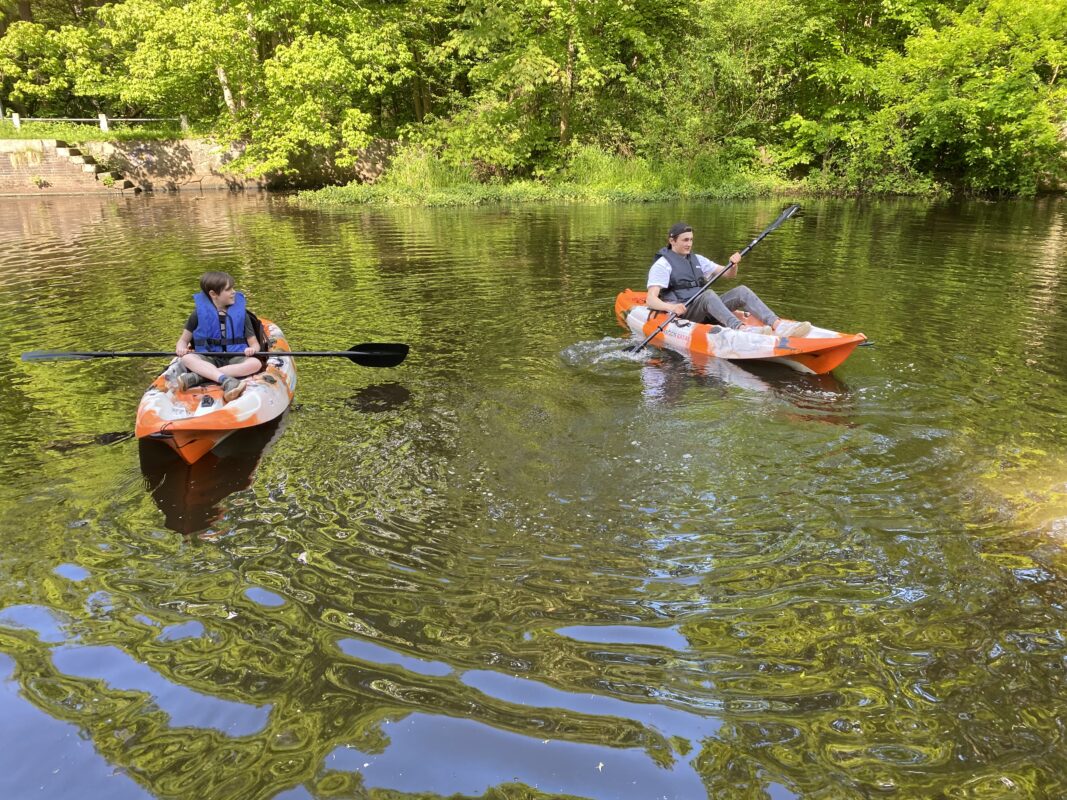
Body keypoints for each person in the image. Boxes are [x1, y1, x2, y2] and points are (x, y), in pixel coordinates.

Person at [646, 222, 811, 337]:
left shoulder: (698, 260)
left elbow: (728, 275)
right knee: (708, 294)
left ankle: (778, 325)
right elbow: (651, 300)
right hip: (685, 312)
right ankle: (740, 328)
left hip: (704, 308)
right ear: (672, 241)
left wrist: (733, 264)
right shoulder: (662, 265)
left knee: (741, 291)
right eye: (685, 240)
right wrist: (671, 307)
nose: (689, 244)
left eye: (691, 239)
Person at [174, 271, 262, 401]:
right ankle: (225, 380)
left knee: (255, 363)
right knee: (187, 359)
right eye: (228, 289)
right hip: (208, 357)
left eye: (233, 288)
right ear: (213, 294)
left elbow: (254, 344)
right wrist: (180, 348)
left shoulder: (241, 315)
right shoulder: (198, 314)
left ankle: (201, 376)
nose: (234, 292)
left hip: (235, 357)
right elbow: (183, 340)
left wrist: (253, 349)